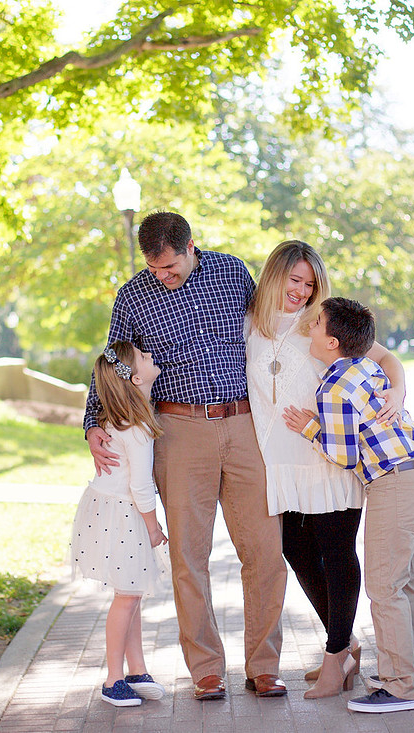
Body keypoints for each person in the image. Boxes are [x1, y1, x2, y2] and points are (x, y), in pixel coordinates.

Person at [83, 211, 288, 700]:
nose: (163, 277)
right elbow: (112, 360)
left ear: (191, 246)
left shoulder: (233, 271)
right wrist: (93, 421)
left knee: (264, 551)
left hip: (243, 425)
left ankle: (264, 666)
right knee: (187, 556)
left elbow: (273, 332)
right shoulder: (133, 294)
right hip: (175, 430)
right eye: (155, 269)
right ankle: (206, 671)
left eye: (171, 267)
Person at [244, 240, 408, 699]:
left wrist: (397, 391)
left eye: (309, 283)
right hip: (280, 463)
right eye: (294, 280)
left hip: (328, 458)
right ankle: (348, 644)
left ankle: (335, 658)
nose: (300, 291)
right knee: (297, 553)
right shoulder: (247, 326)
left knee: (337, 557)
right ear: (274, 274)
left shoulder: (320, 325)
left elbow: (386, 359)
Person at [283, 297, 414, 714]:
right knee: (410, 582)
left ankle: (399, 686)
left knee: (385, 588)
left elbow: (341, 454)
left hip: (397, 482)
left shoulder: (333, 388)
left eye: (317, 322)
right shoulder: (367, 367)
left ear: (333, 341)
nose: (310, 326)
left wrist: (309, 428)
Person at [70, 341, 169, 707]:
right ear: (136, 376)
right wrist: (154, 526)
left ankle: (137, 669)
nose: (150, 356)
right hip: (126, 513)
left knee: (131, 592)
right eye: (143, 357)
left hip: (109, 509)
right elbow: (140, 485)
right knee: (127, 597)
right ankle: (113, 679)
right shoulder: (138, 426)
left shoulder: (124, 417)